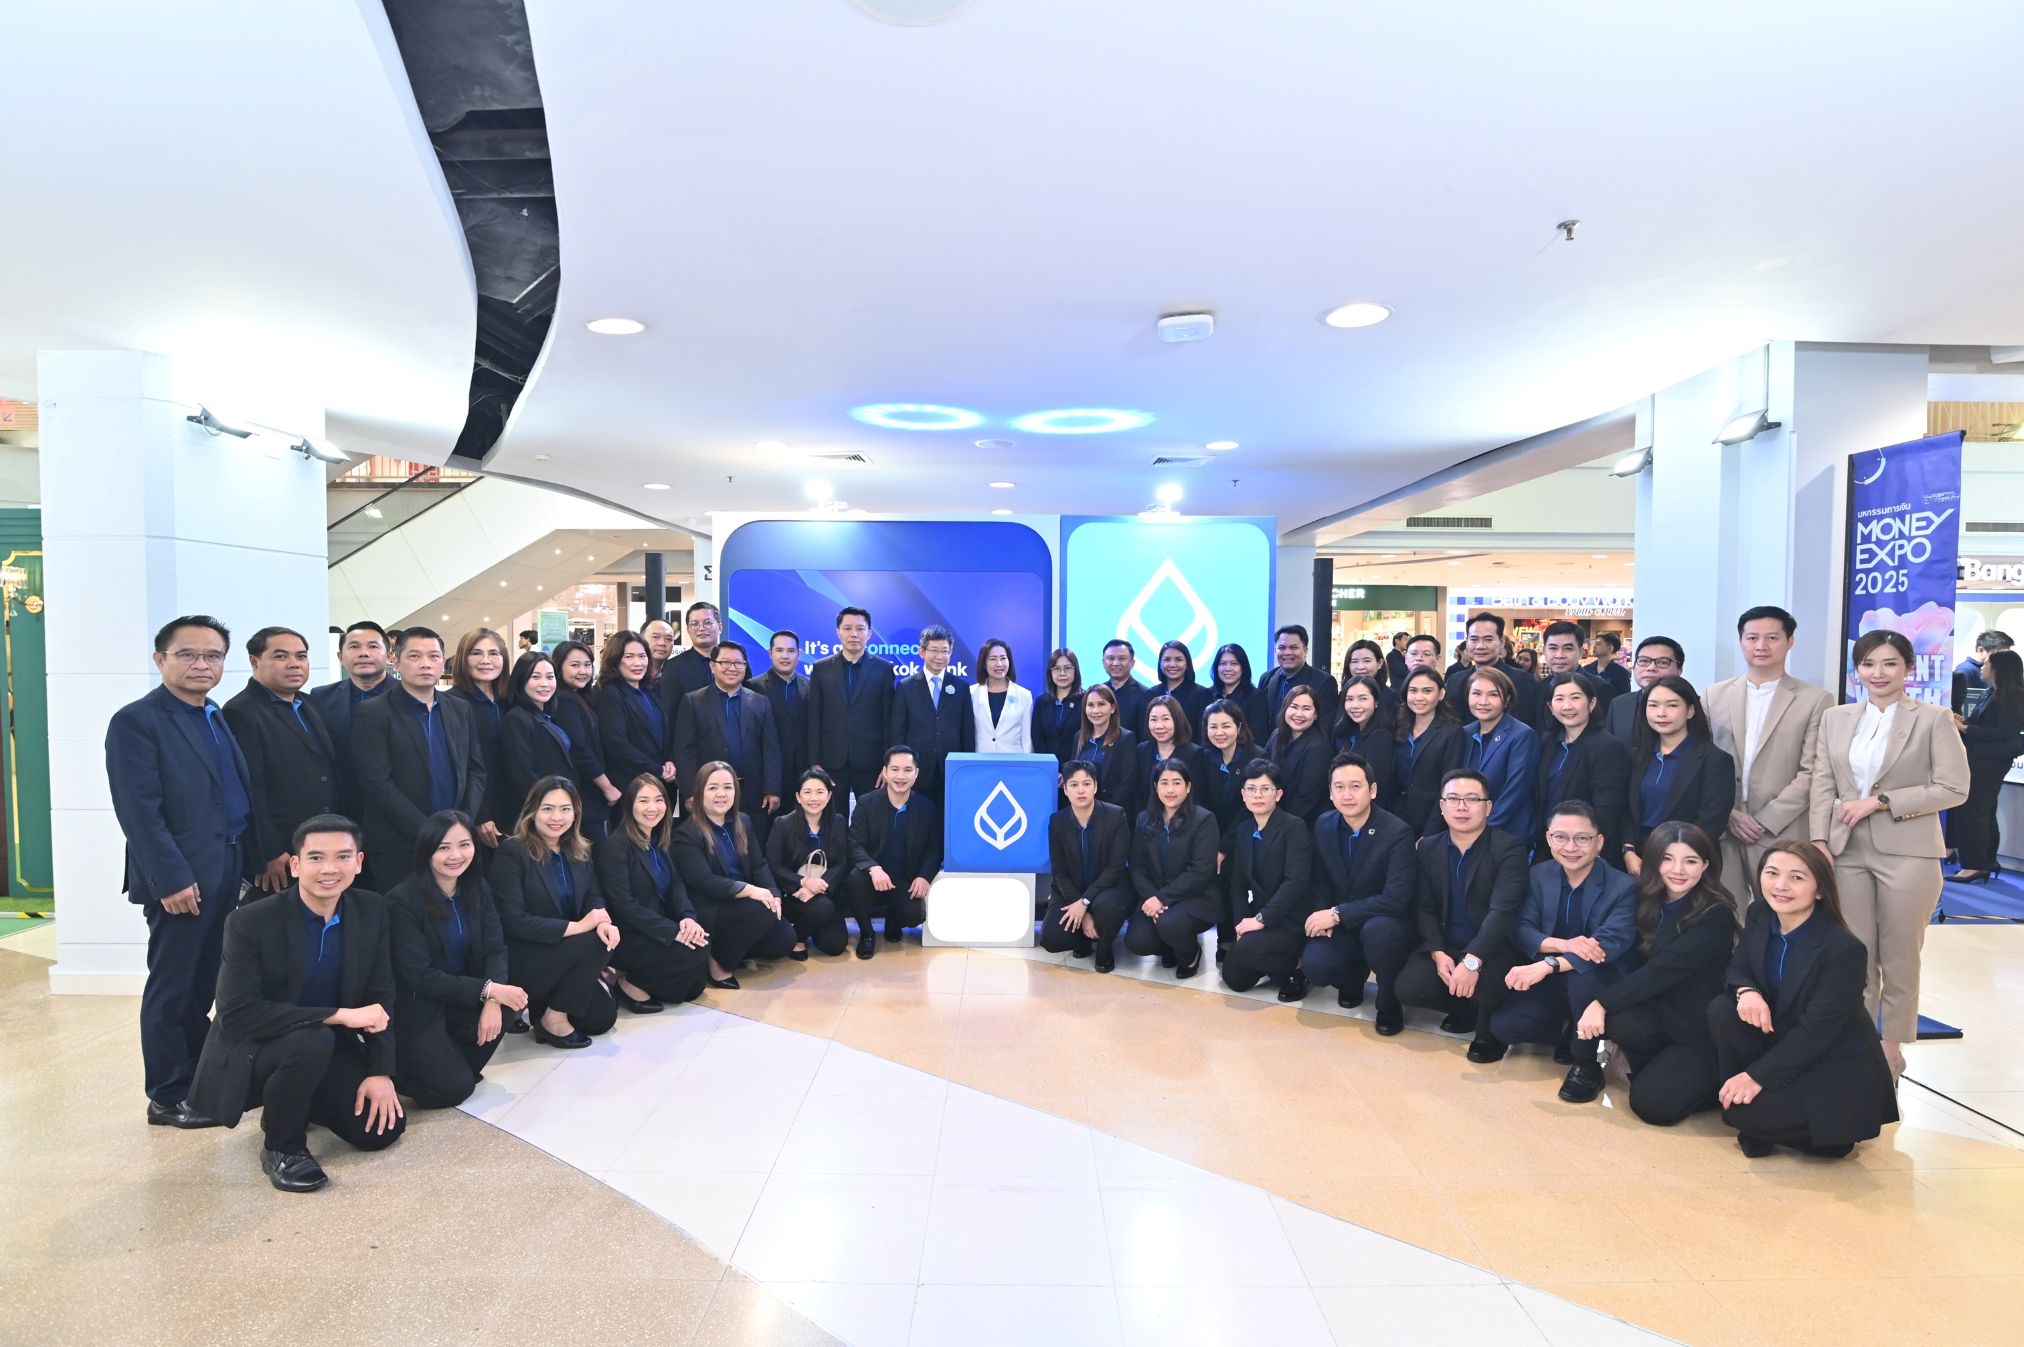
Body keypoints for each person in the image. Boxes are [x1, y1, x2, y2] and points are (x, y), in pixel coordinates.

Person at [186, 815, 405, 1191]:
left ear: (358, 862)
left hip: (324, 1044)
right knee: (312, 1039)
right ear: (295, 865)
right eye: (316, 857)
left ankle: (296, 1098)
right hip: (257, 1046)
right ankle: (282, 1146)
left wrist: (380, 1072)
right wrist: (339, 1015)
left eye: (342, 857)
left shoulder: (371, 909)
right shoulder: (250, 921)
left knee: (380, 1131)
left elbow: (381, 995)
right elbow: (237, 1015)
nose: (329, 869)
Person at [107, 614, 255, 1127]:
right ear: (160, 659)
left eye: (212, 655)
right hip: (182, 876)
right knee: (173, 987)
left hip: (226, 865)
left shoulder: (212, 713)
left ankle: (196, 1078)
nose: (201, 664)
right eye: (187, 654)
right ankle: (167, 1094)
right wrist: (170, 879)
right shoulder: (137, 721)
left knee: (203, 983)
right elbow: (138, 812)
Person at [1809, 629, 1970, 1076]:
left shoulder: (1933, 719)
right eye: (1868, 664)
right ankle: (1855, 1045)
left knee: (1900, 955)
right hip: (1845, 850)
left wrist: (1881, 802)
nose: (1877, 673)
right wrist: (1819, 840)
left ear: (1908, 669)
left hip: (1909, 853)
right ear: (1857, 670)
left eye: (1889, 663)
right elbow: (1822, 781)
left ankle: (1891, 1050)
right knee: (1853, 955)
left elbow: (1954, 788)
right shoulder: (1836, 718)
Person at [1711, 841, 1899, 1159]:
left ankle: (1814, 1125)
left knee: (1745, 1115)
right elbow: (1737, 969)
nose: (1780, 885)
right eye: (1772, 873)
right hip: (1782, 1042)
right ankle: (1754, 1108)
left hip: (1828, 1060)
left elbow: (1816, 1033)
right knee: (1723, 1010)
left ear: (1820, 890)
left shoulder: (1844, 950)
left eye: (1796, 878)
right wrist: (1746, 992)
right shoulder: (1760, 914)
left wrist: (1755, 1077)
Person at [1576, 822, 1737, 1125]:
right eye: (1667, 859)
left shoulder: (1716, 914)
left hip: (1696, 1030)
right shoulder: (1648, 899)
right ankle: (1657, 1067)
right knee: (1618, 1020)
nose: (1678, 870)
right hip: (1661, 1012)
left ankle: (1714, 1080)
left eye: (1690, 861)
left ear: (1705, 865)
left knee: (1651, 1106)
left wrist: (1601, 1002)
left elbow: (1660, 971)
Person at [1488, 803, 1636, 1101]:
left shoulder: (1623, 886)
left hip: (1600, 979)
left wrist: (1547, 965)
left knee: (1584, 979)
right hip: (1554, 977)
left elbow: (1606, 946)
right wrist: (1563, 945)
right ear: (1548, 838)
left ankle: (1587, 1064)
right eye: (1560, 837)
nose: (1570, 847)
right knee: (1505, 1027)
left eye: (1582, 838)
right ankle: (1569, 1029)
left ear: (1599, 842)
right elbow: (1521, 927)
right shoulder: (1538, 875)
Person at [387, 811, 526, 1108]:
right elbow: (419, 975)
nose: (455, 855)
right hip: (420, 1006)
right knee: (454, 1090)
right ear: (426, 851)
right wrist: (487, 990)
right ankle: (407, 1071)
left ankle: (450, 1066)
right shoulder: (401, 901)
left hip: (461, 998)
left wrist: (492, 999)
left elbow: (496, 948)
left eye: (464, 845)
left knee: (507, 1006)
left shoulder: (477, 888)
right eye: (443, 847)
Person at [1392, 769, 1530, 1060]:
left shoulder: (1509, 849)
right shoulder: (1428, 847)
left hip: (1492, 947)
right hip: (1447, 943)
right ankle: (1465, 1009)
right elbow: (1424, 907)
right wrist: (1436, 952)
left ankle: (1488, 1030)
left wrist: (1472, 960)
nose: (1462, 807)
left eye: (1472, 799)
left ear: (1488, 807)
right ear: (1442, 807)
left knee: (1487, 985)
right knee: (1409, 988)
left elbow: (1502, 911)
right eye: (1453, 799)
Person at [1703, 606, 1833, 887]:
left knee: (1779, 905)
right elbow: (1702, 762)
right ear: (1741, 641)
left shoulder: (1815, 700)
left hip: (1781, 830)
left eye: (1772, 638)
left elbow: (1813, 771)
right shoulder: (1714, 695)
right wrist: (1728, 813)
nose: (1761, 646)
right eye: (1752, 638)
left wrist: (1765, 820)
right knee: (1725, 907)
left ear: (1790, 641)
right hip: (1725, 829)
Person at [488, 776, 620, 1048]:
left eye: (565, 809)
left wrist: (601, 920)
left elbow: (593, 896)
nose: (556, 817)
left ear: (576, 813)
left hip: (568, 953)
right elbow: (513, 921)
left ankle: (544, 1008)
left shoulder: (580, 850)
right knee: (595, 941)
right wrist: (581, 927)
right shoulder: (512, 852)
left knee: (601, 1019)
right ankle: (553, 1018)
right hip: (527, 955)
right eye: (547, 808)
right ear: (532, 811)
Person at [352, 627, 487, 890]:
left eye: (434, 656)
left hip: (456, 840)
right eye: (414, 656)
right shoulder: (373, 712)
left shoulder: (460, 708)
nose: (426, 664)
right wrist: (428, 832)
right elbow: (376, 782)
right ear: (396, 661)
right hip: (399, 843)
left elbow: (476, 769)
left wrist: (464, 822)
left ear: (443, 661)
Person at [1298, 753, 1416, 1021]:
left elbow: (1396, 898)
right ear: (1330, 793)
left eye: (1355, 786)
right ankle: (1352, 976)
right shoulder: (1324, 824)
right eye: (1339, 787)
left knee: (1379, 933)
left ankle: (1389, 1001)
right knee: (1315, 965)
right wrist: (1323, 914)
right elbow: (1319, 880)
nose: (1347, 795)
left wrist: (1337, 913)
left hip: (1383, 921)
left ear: (1372, 790)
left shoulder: (1397, 832)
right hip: (1343, 922)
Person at [223, 625, 341, 894]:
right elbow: (250, 788)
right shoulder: (242, 712)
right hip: (281, 853)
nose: (294, 664)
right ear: (254, 661)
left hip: (321, 841)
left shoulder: (308, 703)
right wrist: (269, 850)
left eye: (301, 656)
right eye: (280, 656)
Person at [670, 761, 798, 984]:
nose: (721, 794)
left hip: (743, 904)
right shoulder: (686, 834)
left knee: (784, 940)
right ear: (700, 792)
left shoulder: (743, 821)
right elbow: (704, 881)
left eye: (728, 787)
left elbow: (759, 865)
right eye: (713, 788)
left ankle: (727, 947)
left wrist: (774, 893)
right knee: (762, 911)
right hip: (711, 906)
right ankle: (719, 961)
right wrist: (750, 891)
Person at [593, 774, 716, 1001]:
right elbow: (623, 904)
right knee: (695, 952)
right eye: (643, 801)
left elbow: (676, 885)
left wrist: (687, 918)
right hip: (629, 932)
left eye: (659, 800)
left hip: (656, 924)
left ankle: (640, 980)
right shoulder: (616, 846)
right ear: (630, 806)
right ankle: (630, 984)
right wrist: (672, 931)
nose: (652, 808)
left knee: (695, 986)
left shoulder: (659, 838)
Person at [1221, 759, 1316, 998]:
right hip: (1260, 915)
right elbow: (1237, 885)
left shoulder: (1294, 827)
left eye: (1265, 789)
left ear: (1278, 794)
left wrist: (1262, 919)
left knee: (1247, 951)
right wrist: (1242, 923)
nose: (1258, 795)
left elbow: (1295, 882)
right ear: (1243, 795)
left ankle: (1297, 970)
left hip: (1291, 918)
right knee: (1233, 978)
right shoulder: (1244, 829)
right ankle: (1271, 962)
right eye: (1251, 789)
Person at [1622, 675, 1735, 873]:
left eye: (1672, 705)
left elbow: (1711, 822)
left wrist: (1671, 859)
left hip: (1686, 862)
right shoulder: (1637, 756)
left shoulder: (1714, 760)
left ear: (1690, 711)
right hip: (1639, 859)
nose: (1661, 713)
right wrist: (1628, 850)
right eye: (1653, 705)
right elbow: (1626, 810)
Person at [672, 640, 783, 839]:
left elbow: (771, 750)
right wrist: (690, 791)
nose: (732, 668)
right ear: (712, 666)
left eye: (738, 663)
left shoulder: (760, 702)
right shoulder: (693, 701)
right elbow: (685, 751)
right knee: (713, 846)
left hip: (752, 793)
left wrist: (772, 789)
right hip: (709, 792)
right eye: (725, 662)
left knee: (751, 846)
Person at [1121, 760, 1221, 977]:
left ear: (1188, 787)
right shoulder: (1144, 819)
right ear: (1155, 787)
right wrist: (1152, 898)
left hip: (1195, 897)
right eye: (1164, 783)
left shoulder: (1204, 820)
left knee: (1170, 923)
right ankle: (1170, 946)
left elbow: (1200, 872)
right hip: (1155, 896)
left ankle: (1190, 954)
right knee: (1137, 941)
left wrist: (1162, 898)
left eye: (1177, 783)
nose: (1170, 789)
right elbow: (1137, 867)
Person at [841, 746, 943, 949]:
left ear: (916, 773)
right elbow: (854, 843)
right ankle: (867, 933)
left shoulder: (926, 808)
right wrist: (873, 868)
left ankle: (893, 918)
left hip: (904, 878)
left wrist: (924, 876)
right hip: (872, 876)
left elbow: (934, 849)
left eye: (907, 770)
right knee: (854, 880)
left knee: (914, 915)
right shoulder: (866, 803)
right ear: (885, 772)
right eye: (895, 769)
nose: (901, 776)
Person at [1040, 761, 1133, 971]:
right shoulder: (1057, 821)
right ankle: (1082, 938)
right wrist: (1080, 909)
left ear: (1095, 786)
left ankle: (1105, 948)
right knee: (1051, 939)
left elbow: (1115, 868)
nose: (1081, 790)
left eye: (1086, 784)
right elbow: (1059, 872)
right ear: (1065, 789)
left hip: (1108, 889)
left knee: (1109, 908)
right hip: (1071, 890)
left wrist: (1084, 903)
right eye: (1074, 785)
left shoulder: (1115, 815)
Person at [806, 606, 899, 808]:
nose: (854, 634)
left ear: (869, 634)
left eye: (860, 628)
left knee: (872, 817)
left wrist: (888, 763)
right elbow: (814, 716)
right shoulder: (821, 668)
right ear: (838, 632)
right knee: (833, 819)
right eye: (847, 628)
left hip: (871, 761)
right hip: (831, 762)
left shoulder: (884, 669)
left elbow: (888, 719)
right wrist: (814, 762)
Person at [762, 767, 859, 959]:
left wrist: (819, 887)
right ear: (798, 797)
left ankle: (805, 928)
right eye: (807, 792)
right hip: (794, 894)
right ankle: (797, 938)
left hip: (824, 892)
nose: (814, 798)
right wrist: (803, 882)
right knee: (822, 908)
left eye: (820, 792)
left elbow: (842, 863)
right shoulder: (783, 824)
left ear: (829, 796)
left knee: (834, 945)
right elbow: (773, 865)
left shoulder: (838, 822)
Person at [1536, 672, 1630, 864]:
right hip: (1549, 844)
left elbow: (1607, 809)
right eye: (1559, 699)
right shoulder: (1548, 741)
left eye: (1575, 698)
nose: (1567, 706)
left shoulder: (1607, 746)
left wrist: (1583, 845)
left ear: (1592, 703)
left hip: (1584, 849)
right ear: (1550, 707)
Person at [1953, 649, 2024, 882]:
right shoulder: (1992, 692)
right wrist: (1965, 722)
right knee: (1983, 809)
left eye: (1987, 664)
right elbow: (1987, 724)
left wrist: (1966, 729)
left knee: (1974, 810)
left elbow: (2004, 732)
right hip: (1981, 757)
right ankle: (1984, 861)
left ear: (1997, 669)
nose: (1982, 667)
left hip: (1991, 760)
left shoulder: (2014, 696)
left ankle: (1974, 864)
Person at [309, 620, 393, 809]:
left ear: (389, 656)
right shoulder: (320, 697)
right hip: (341, 805)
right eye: (354, 646)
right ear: (340, 657)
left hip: (394, 805)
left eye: (373, 646)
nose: (364, 653)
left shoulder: (407, 697)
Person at [494, 653, 577, 841]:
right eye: (535, 677)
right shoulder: (516, 719)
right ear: (520, 680)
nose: (545, 683)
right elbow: (522, 774)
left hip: (554, 810)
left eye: (550, 676)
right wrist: (549, 808)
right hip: (535, 816)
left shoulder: (546, 715)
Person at [890, 624, 974, 799]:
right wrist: (899, 767)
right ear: (922, 652)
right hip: (917, 770)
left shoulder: (961, 687)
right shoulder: (906, 687)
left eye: (945, 651)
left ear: (951, 653)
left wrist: (967, 767)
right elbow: (898, 731)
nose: (940, 656)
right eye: (934, 650)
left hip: (951, 770)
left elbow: (967, 732)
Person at [548, 639, 622, 834]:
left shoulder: (580, 696)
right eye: (575, 665)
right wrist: (607, 787)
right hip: (584, 792)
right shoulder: (565, 701)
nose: (583, 671)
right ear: (558, 667)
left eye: (587, 665)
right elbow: (581, 750)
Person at [1462, 666, 1541, 846]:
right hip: (1469, 830)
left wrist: (1483, 830)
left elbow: (1516, 790)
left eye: (1493, 695)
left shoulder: (1522, 735)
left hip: (1507, 834)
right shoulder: (1465, 733)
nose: (1483, 701)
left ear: (1507, 700)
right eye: (1476, 694)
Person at [446, 628, 511, 846]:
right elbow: (464, 766)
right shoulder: (452, 704)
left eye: (493, 653)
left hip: (513, 806)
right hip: (477, 811)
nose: (486, 660)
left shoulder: (508, 700)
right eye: (476, 653)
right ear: (462, 659)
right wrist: (481, 814)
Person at [596, 630, 676, 799]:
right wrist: (657, 770)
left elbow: (664, 733)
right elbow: (617, 745)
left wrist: (669, 761)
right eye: (629, 657)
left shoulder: (651, 690)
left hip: (660, 782)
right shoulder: (610, 693)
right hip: (631, 785)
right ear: (615, 660)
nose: (637, 663)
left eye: (642, 656)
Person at [1390, 667, 1467, 836]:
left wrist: (1430, 833)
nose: (1419, 697)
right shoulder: (1398, 726)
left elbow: (1449, 784)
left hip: (1432, 820)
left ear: (1441, 694)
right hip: (1397, 817)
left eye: (1427, 691)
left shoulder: (1451, 732)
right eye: (1413, 691)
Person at [1444, 612, 1542, 728]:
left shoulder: (1521, 680)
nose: (1480, 646)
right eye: (1474, 639)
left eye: (1488, 639)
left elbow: (1524, 723)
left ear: (1501, 642)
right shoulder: (1455, 681)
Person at [752, 629, 815, 785]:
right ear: (770, 653)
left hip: (805, 771)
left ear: (799, 654)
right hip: (768, 772)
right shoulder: (753, 687)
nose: (785, 656)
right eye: (779, 650)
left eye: (791, 651)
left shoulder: (811, 686)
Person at [1604, 636, 1684, 745]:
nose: (1651, 668)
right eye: (1644, 661)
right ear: (1634, 667)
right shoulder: (1619, 704)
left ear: (1679, 670)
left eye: (1662, 662)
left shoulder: (1691, 705)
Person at [1534, 621, 1612, 733]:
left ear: (1581, 652)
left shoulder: (1600, 688)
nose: (1559, 655)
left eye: (1568, 648)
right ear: (1544, 652)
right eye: (1553, 648)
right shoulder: (1540, 687)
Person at [1136, 694, 1206, 818]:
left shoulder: (1195, 754)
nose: (1159, 726)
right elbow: (1137, 796)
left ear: (1177, 720)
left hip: (1185, 821)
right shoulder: (1141, 750)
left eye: (1165, 719)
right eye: (1153, 719)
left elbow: (1196, 798)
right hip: (1148, 822)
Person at [1074, 683, 1141, 811]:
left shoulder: (1125, 738)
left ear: (1112, 708)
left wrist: (1103, 811)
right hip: (1081, 809)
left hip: (1111, 812)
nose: (1095, 710)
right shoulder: (1079, 737)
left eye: (1101, 704)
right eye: (1090, 705)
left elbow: (1127, 784)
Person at [1260, 625, 1340, 728]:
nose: (1287, 653)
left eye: (1294, 647)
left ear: (1305, 650)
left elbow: (1325, 726)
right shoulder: (1267, 678)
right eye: (1282, 648)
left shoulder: (1325, 682)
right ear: (1276, 650)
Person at [1331, 675, 1395, 803]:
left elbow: (1378, 788)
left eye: (1363, 699)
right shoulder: (1351, 732)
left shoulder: (1380, 737)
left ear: (1376, 702)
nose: (1355, 705)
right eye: (1349, 699)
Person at [972, 636, 1034, 753]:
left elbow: (1027, 740)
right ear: (984, 663)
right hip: (980, 759)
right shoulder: (971, 694)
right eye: (993, 659)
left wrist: (1027, 762)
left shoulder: (1024, 695)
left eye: (1003, 658)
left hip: (1013, 760)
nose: (999, 664)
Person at [659, 601, 723, 706]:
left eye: (707, 622)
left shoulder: (735, 662)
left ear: (720, 627)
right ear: (688, 630)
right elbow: (670, 711)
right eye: (694, 624)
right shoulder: (673, 667)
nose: (701, 628)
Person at [1033, 647, 1087, 764]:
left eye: (1067, 668)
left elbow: (1088, 737)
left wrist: (1071, 768)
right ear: (1050, 672)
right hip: (1047, 767)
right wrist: (1050, 766)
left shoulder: (1086, 700)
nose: (1062, 673)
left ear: (1076, 670)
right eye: (1056, 669)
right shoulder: (1042, 701)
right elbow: (1037, 738)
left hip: (1077, 767)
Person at [1146, 639, 1210, 735]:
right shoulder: (1151, 694)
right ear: (1160, 664)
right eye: (1167, 659)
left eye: (1178, 659)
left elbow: (1203, 732)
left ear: (1187, 664)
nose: (1172, 664)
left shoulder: (1202, 694)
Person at [1207, 642, 1270, 737]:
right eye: (1223, 664)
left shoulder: (1256, 697)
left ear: (1243, 668)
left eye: (1234, 664)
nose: (1228, 668)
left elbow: (1258, 737)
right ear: (1216, 667)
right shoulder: (1207, 694)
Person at [1952, 628, 2013, 711]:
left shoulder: (1998, 669)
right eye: (1999, 653)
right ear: (1980, 650)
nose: (2004, 658)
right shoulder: (1965, 671)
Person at [1588, 631, 1632, 697]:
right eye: (1594, 644)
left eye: (1598, 644)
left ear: (1610, 648)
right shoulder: (1586, 669)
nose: (1594, 646)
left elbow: (1624, 697)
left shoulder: (1621, 673)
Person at [640, 617, 679, 685]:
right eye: (655, 637)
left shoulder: (677, 676)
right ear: (641, 639)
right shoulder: (628, 676)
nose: (662, 643)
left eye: (668, 638)